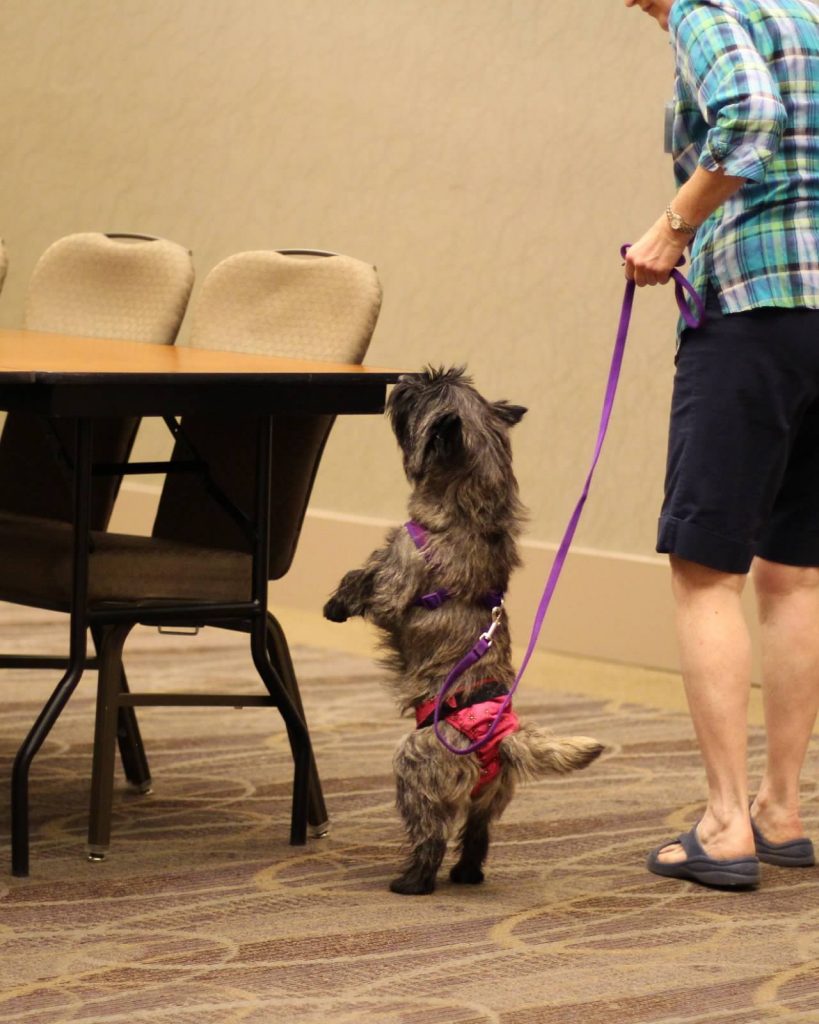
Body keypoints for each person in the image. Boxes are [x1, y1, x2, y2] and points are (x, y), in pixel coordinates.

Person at [623, 0, 819, 888]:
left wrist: (674, 225)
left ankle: (724, 823)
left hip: (754, 313)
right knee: (795, 568)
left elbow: (746, 116)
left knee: (706, 567)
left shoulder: (708, 10)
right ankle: (780, 810)